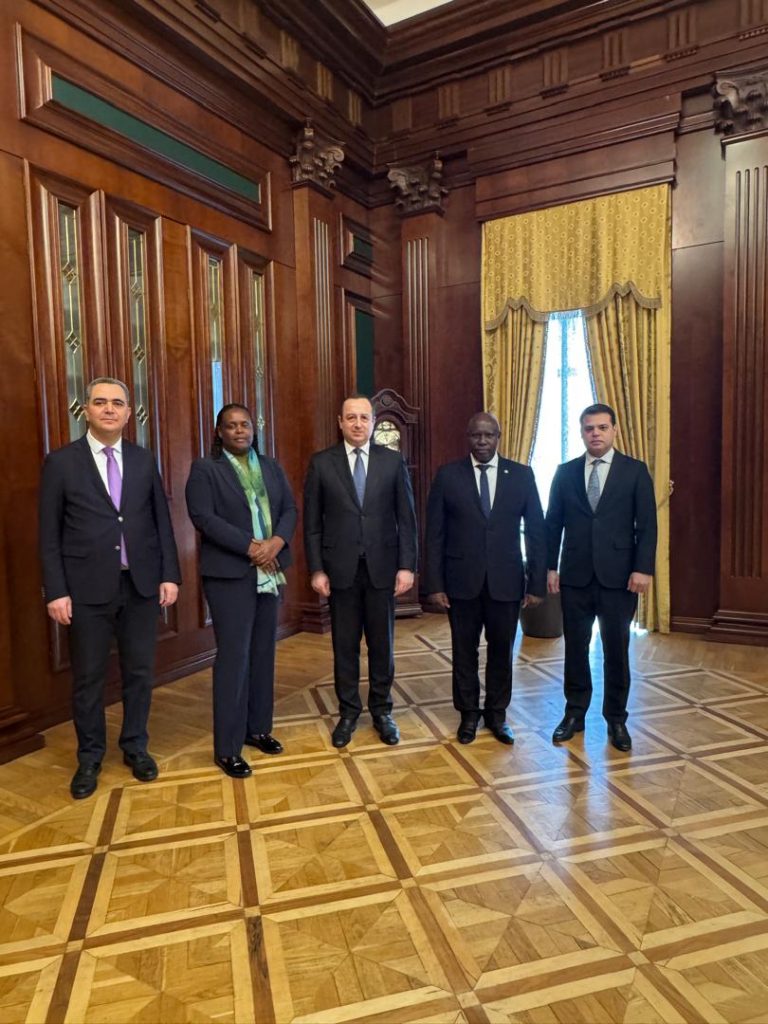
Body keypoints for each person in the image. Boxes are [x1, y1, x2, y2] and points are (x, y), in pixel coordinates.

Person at [39, 377, 181, 799]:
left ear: (128, 412)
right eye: (100, 402)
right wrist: (55, 590)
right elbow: (48, 534)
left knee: (140, 672)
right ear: (85, 410)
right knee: (89, 678)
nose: (109, 409)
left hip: (139, 585)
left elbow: (160, 522)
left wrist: (169, 575)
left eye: (117, 403)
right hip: (85, 590)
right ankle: (90, 757)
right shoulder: (61, 463)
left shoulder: (142, 459)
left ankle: (135, 746)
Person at [185, 404, 297, 779]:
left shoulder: (271, 467)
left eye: (245, 424)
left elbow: (290, 509)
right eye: (231, 426)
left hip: (270, 569)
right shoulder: (205, 470)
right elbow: (204, 518)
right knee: (235, 657)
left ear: (254, 428)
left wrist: (276, 543)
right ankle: (227, 747)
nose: (239, 431)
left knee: (264, 652)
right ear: (219, 432)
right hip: (230, 575)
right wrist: (251, 547)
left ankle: (258, 729)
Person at [303, 395, 418, 748]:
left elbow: (407, 519)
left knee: (382, 645)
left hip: (383, 569)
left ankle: (382, 711)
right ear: (340, 422)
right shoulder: (322, 464)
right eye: (351, 417)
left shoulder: (392, 461)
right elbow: (312, 525)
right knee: (345, 645)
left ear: (373, 422)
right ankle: (349, 712)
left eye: (364, 418)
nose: (357, 424)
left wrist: (407, 566)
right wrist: (316, 569)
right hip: (341, 571)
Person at [425, 412, 546, 744]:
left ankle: (496, 714)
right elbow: (434, 533)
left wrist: (536, 583)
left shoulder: (521, 476)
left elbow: (536, 531)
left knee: (502, 651)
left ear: (498, 437)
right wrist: (434, 584)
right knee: (464, 651)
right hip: (460, 582)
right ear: (468, 437)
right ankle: (468, 714)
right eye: (476, 435)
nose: (482, 441)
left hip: (506, 582)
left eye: (488, 435)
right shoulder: (448, 475)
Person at [545, 403, 657, 751]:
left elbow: (647, 525)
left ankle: (616, 719)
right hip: (575, 576)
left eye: (602, 427)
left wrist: (643, 568)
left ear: (614, 430)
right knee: (575, 649)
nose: (595, 433)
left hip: (619, 578)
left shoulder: (634, 471)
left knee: (616, 650)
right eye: (589, 428)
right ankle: (574, 713)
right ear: (581, 432)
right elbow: (553, 523)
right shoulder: (565, 473)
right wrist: (550, 566)